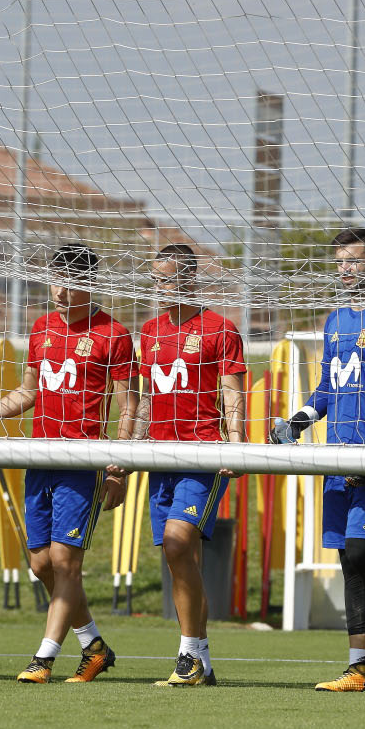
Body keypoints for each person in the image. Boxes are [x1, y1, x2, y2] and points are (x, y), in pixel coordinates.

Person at [0, 243, 137, 683]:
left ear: (89, 285)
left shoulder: (113, 334)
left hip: (83, 461)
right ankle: (93, 645)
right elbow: (28, 392)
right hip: (40, 457)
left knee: (66, 561)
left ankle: (44, 656)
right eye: (57, 281)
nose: (61, 292)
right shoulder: (42, 328)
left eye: (72, 284)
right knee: (40, 564)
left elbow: (131, 404)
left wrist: (118, 466)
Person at [269, 227, 365, 692]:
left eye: (354, 261)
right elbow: (327, 390)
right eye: (340, 262)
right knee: (347, 558)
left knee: (362, 551)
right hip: (335, 453)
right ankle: (359, 668)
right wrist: (297, 421)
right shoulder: (334, 321)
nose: (345, 269)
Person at [135, 244, 245, 687]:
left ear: (190, 280)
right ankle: (201, 659)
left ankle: (188, 655)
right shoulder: (149, 331)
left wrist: (236, 448)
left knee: (178, 543)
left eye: (169, 279)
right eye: (156, 280)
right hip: (159, 456)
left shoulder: (220, 328)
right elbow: (145, 398)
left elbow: (233, 394)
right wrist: (129, 452)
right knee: (181, 558)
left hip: (202, 453)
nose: (162, 288)